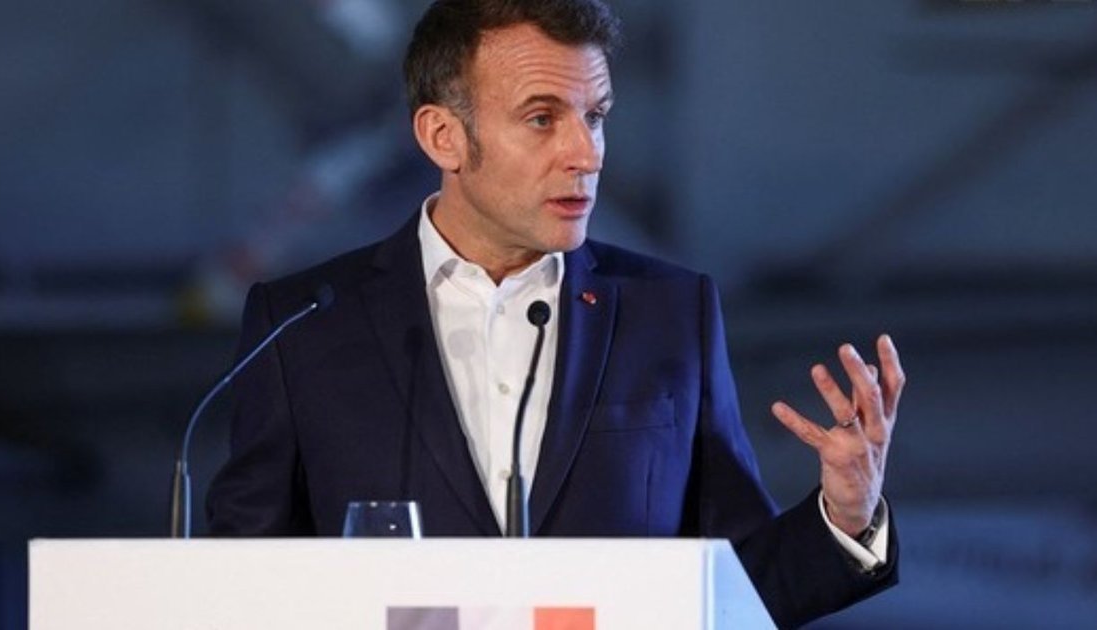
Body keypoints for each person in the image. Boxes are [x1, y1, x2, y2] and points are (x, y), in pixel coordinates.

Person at [206, 1, 905, 626]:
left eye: (595, 117)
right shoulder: (303, 323)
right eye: (542, 119)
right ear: (443, 136)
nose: (585, 154)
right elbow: (241, 583)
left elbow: (737, 590)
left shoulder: (667, 313)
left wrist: (846, 516)